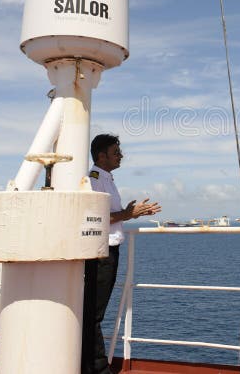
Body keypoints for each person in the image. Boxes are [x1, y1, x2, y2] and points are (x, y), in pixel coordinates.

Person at [82, 134, 161, 374]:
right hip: (100, 254)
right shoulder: (94, 180)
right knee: (93, 314)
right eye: (116, 152)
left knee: (93, 313)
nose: (121, 156)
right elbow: (94, 218)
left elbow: (110, 215)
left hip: (107, 252)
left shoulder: (105, 178)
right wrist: (128, 214)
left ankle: (90, 365)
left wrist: (131, 213)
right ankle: (96, 368)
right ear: (101, 156)